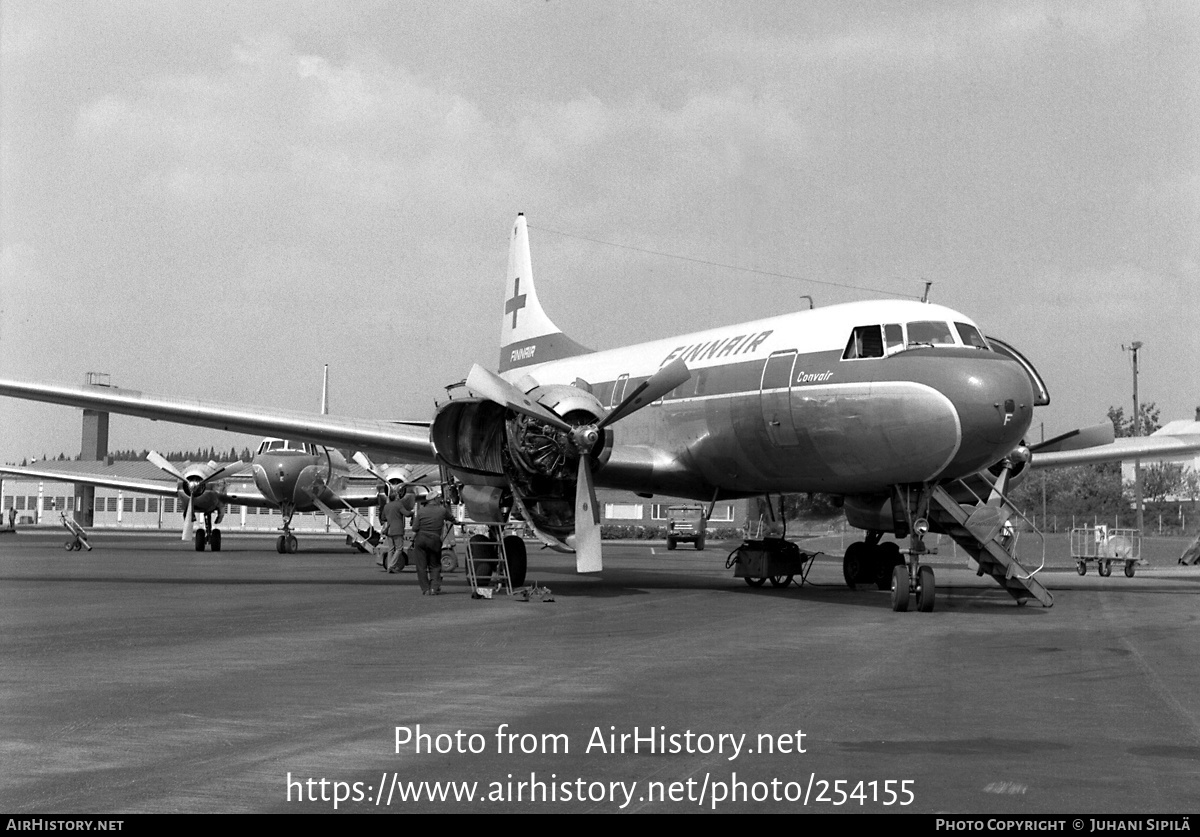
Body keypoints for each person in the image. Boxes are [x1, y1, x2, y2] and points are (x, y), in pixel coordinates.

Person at [409, 488, 456, 595]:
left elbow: (415, 528)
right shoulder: (442, 510)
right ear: (435, 499)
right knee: (434, 565)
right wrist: (458, 523)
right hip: (435, 540)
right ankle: (434, 588)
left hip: (421, 539)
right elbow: (453, 519)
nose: (440, 499)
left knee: (421, 566)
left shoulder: (421, 512)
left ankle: (425, 589)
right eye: (438, 498)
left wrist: (412, 540)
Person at [380, 489, 410, 573]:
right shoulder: (399, 504)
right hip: (397, 529)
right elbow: (406, 514)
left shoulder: (386, 506)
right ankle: (391, 565)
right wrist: (412, 513)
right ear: (396, 497)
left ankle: (390, 566)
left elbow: (383, 518)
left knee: (391, 549)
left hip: (389, 530)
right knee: (399, 548)